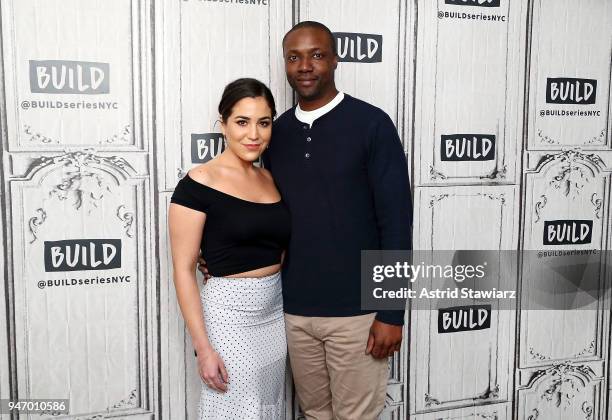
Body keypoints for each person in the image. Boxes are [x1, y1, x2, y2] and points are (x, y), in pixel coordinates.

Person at [265, 21, 412, 420]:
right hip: (295, 313)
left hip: (358, 314)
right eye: (294, 57)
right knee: (314, 414)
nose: (305, 65)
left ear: (335, 59)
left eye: (316, 54)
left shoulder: (371, 124)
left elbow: (396, 223)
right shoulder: (275, 135)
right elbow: (265, 218)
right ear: (285, 64)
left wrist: (391, 312)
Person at [168, 78, 291, 419]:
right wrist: (203, 347)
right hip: (228, 318)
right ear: (222, 124)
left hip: (274, 311)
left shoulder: (270, 178)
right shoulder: (198, 184)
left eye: (263, 123)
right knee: (236, 411)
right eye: (242, 122)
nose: (254, 134)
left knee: (267, 409)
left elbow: (279, 243)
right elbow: (183, 268)